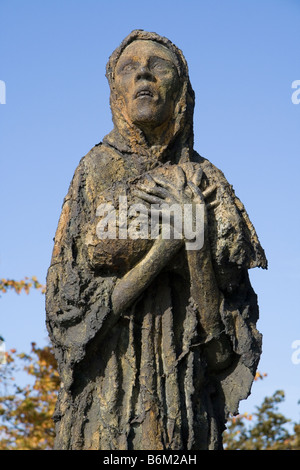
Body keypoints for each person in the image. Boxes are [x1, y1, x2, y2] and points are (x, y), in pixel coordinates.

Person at [46, 30, 267, 450]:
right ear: (116, 90)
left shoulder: (209, 182)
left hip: (185, 412)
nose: (143, 73)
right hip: (105, 404)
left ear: (180, 90)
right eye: (129, 68)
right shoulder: (94, 171)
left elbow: (222, 354)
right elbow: (72, 323)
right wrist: (169, 246)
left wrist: (196, 242)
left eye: (158, 66)